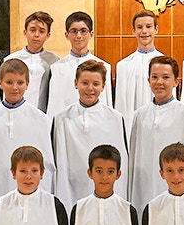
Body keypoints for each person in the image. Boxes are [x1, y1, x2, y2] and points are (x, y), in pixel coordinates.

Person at [0, 58, 55, 211]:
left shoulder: (41, 119)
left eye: (20, 82)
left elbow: (48, 164)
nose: (15, 88)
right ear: (0, 83)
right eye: (9, 82)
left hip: (30, 190)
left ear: (27, 84)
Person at [50, 59, 128, 204]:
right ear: (75, 83)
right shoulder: (61, 119)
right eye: (85, 83)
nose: (90, 88)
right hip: (70, 189)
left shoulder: (115, 119)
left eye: (96, 84)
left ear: (103, 86)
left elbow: (121, 160)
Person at [126, 54, 184, 207]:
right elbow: (133, 156)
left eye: (165, 77)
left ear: (176, 82)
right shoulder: (140, 115)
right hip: (144, 187)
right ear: (148, 81)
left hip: (177, 186)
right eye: (154, 77)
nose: (159, 82)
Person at [47, 11, 109, 116]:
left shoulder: (104, 67)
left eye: (83, 31)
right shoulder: (57, 68)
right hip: (67, 124)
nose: (78, 36)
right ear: (67, 35)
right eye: (74, 31)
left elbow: (106, 103)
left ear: (91, 34)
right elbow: (54, 105)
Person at [114, 10, 164, 119]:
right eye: (140, 27)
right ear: (134, 31)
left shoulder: (165, 64)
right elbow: (120, 104)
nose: (144, 31)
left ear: (156, 29)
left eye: (148, 26)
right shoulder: (123, 66)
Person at [7, 10, 59, 111]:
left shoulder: (54, 61)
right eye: (32, 30)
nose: (36, 35)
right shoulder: (11, 59)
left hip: (43, 113)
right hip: (16, 112)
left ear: (48, 35)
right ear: (25, 32)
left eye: (42, 31)